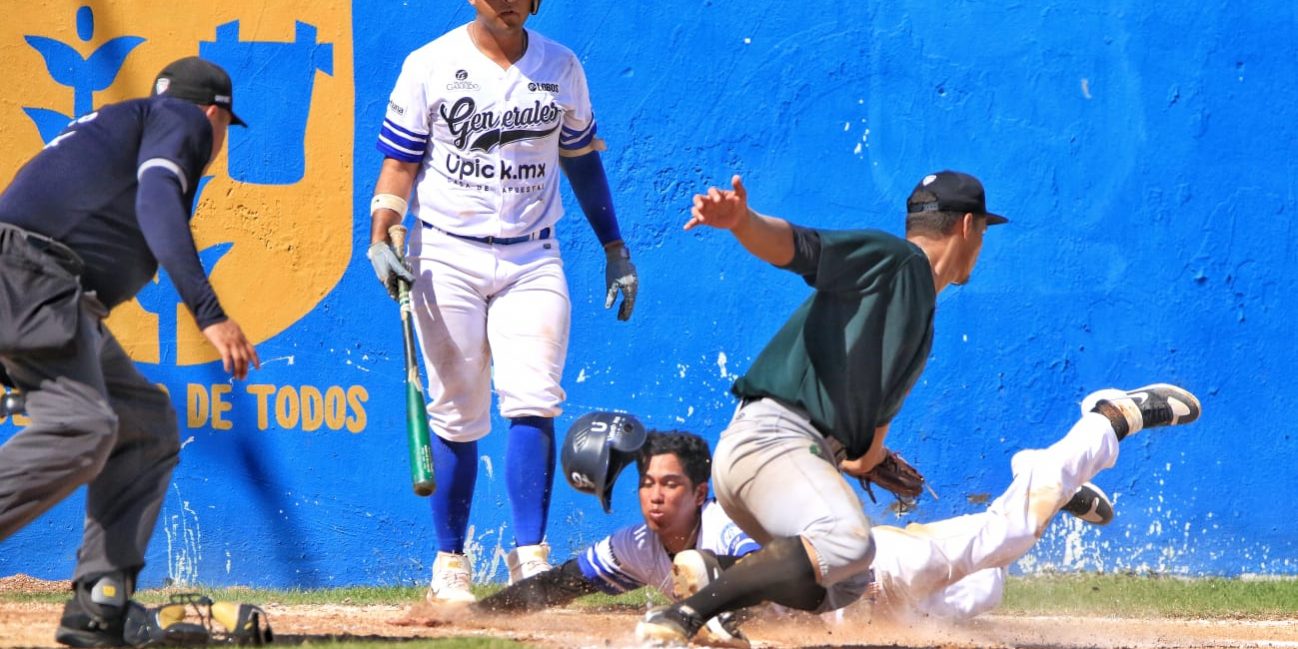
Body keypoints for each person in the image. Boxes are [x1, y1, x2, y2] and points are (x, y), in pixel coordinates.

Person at [635, 170, 1008, 643]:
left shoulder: (917, 322)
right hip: (773, 440)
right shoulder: (897, 261)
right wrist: (743, 221)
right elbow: (801, 248)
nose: (981, 243)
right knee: (848, 541)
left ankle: (719, 572)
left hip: (790, 460)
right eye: (983, 232)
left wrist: (876, 462)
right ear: (968, 226)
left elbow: (862, 457)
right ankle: (682, 617)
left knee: (846, 581)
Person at [365, 0, 638, 603]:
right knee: (456, 411)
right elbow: (400, 162)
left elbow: (581, 160)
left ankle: (530, 559)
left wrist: (614, 246)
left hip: (533, 255)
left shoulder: (561, 66)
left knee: (535, 398)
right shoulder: (430, 63)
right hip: (446, 252)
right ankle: (450, 564)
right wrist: (382, 231)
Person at [0, 57, 260, 647]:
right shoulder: (182, 121)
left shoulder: (129, 121)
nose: (219, 140)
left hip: (51, 292)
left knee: (145, 425)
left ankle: (100, 604)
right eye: (224, 126)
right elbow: (157, 201)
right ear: (215, 113)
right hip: (33, 279)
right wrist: (209, 313)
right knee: (84, 427)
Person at [669, 383, 1202, 630]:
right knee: (987, 587)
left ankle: (1107, 420)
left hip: (889, 572)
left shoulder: (727, 531)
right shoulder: (728, 601)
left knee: (1009, 535)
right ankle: (1046, 481)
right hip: (883, 616)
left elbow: (777, 558)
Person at [473, 423, 757, 649]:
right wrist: (478, 612)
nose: (655, 496)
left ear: (699, 494)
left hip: (783, 616)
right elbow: (558, 584)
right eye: (647, 484)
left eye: (670, 484)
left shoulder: (725, 523)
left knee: (697, 564)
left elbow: (762, 567)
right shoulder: (637, 544)